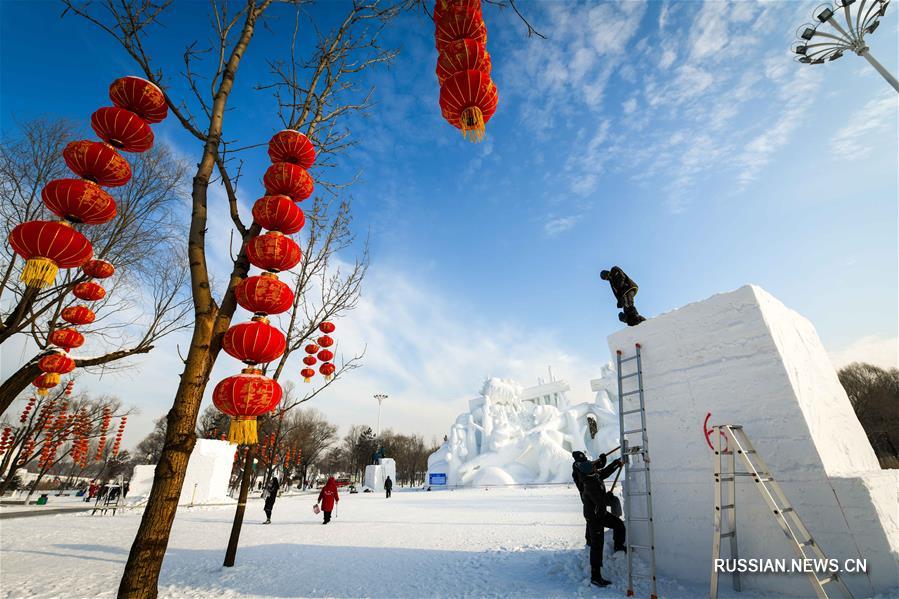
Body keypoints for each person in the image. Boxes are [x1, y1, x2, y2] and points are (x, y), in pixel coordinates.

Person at [577, 454, 626, 587]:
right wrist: (607, 497)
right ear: (590, 470)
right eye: (593, 466)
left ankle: (619, 546)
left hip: (600, 513)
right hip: (595, 518)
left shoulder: (593, 475)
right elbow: (599, 502)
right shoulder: (589, 485)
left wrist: (616, 463)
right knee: (597, 546)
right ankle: (595, 577)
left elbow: (604, 472)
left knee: (619, 525)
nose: (595, 466)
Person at [571, 451, 592, 547]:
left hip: (591, 496)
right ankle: (589, 540)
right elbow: (587, 468)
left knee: (591, 518)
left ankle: (590, 539)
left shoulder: (582, 465)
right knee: (591, 518)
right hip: (587, 496)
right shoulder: (578, 468)